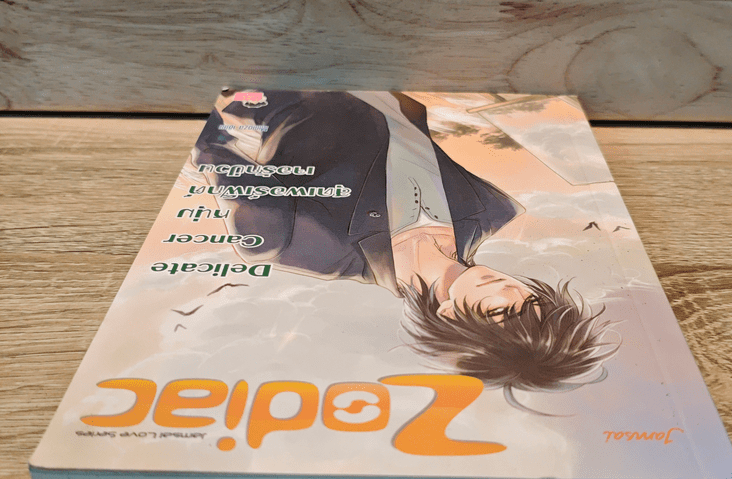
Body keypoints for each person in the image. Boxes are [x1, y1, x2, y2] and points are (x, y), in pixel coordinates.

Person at [192, 89, 617, 412]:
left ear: (450, 317)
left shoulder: (296, 245)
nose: (511, 290)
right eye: (531, 300)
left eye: (502, 312)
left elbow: (214, 148)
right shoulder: (492, 209)